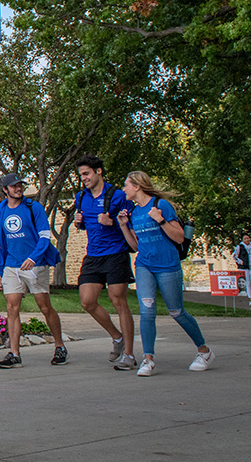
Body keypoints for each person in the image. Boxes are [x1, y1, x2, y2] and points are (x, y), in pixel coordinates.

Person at [115, 171, 214, 377]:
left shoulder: (161, 205)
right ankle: (148, 359)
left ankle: (204, 351)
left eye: (126, 185)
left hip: (168, 265)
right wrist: (124, 226)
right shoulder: (133, 212)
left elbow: (179, 238)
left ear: (137, 186)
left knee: (177, 311)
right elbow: (135, 246)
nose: (124, 189)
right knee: (147, 311)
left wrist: (160, 220)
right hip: (144, 266)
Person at [0, 172, 67, 368]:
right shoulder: (1, 211)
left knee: (44, 306)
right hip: (11, 265)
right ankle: (14, 354)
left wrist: (33, 257)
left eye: (20, 185)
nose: (18, 188)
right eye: (14, 186)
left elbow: (44, 236)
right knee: (12, 308)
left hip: (36, 264)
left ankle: (59, 346)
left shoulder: (34, 208)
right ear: (5, 190)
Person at [73, 155, 137, 370]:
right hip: (93, 255)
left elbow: (131, 223)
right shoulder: (81, 197)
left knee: (118, 301)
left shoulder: (118, 195)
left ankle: (128, 354)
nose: (84, 178)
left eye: (86, 174)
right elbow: (86, 224)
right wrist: (78, 223)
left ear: (99, 171)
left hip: (116, 254)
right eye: (81, 175)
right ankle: (117, 337)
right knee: (87, 301)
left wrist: (113, 223)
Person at [234, 233, 251, 301]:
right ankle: (250, 297)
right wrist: (241, 262)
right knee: (247, 282)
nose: (247, 240)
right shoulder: (239, 247)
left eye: (248, 238)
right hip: (245, 267)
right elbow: (235, 256)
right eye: (245, 239)